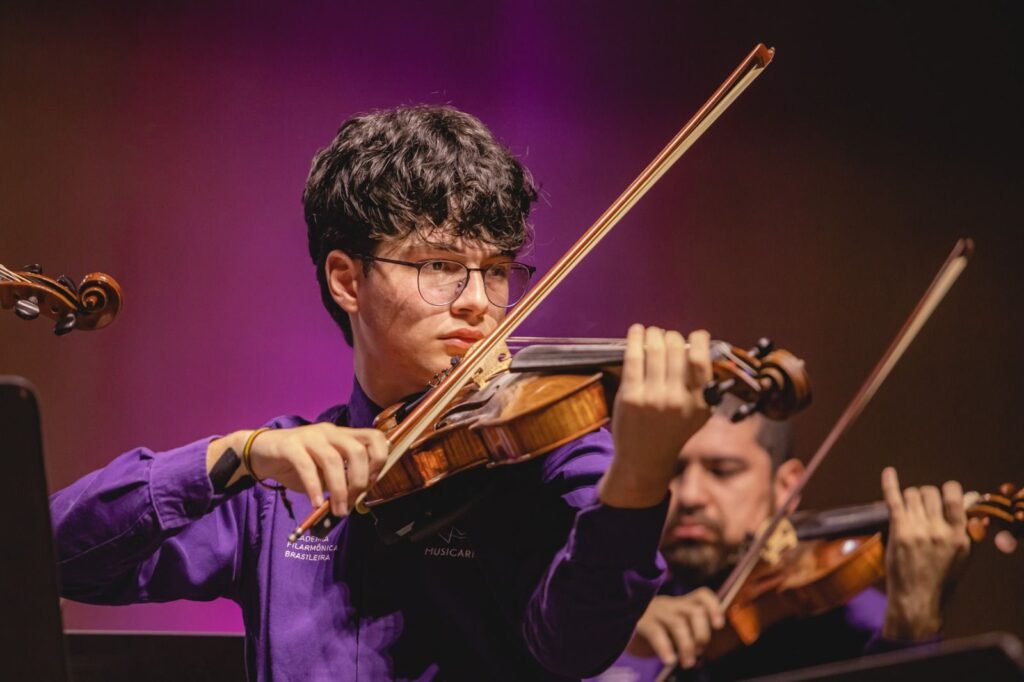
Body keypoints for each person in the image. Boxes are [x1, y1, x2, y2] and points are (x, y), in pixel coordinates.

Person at [50, 105, 716, 681]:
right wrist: (237, 454)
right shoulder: (280, 486)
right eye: (443, 268)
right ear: (347, 280)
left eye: (498, 272)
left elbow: (577, 647)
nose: (481, 303)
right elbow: (53, 557)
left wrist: (637, 479)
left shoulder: (549, 454)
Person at [593, 398, 971, 681]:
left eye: (722, 471)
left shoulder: (853, 624)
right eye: (672, 470)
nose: (689, 495)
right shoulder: (620, 599)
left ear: (787, 486)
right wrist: (607, 627)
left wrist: (911, 626)